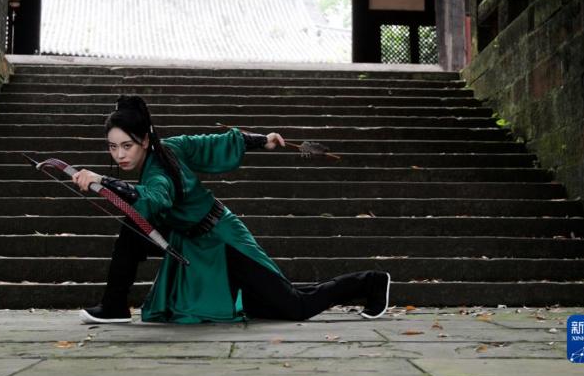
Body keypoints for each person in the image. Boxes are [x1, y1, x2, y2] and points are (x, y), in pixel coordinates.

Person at [72, 95, 391, 324]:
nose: (119, 155)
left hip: (223, 240)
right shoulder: (170, 148)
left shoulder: (165, 160)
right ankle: (114, 305)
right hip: (191, 241)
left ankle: (370, 282)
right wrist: (260, 140)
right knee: (132, 228)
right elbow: (214, 142)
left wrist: (104, 181)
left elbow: (156, 197)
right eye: (113, 147)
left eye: (126, 146)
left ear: (144, 140)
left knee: (294, 306)